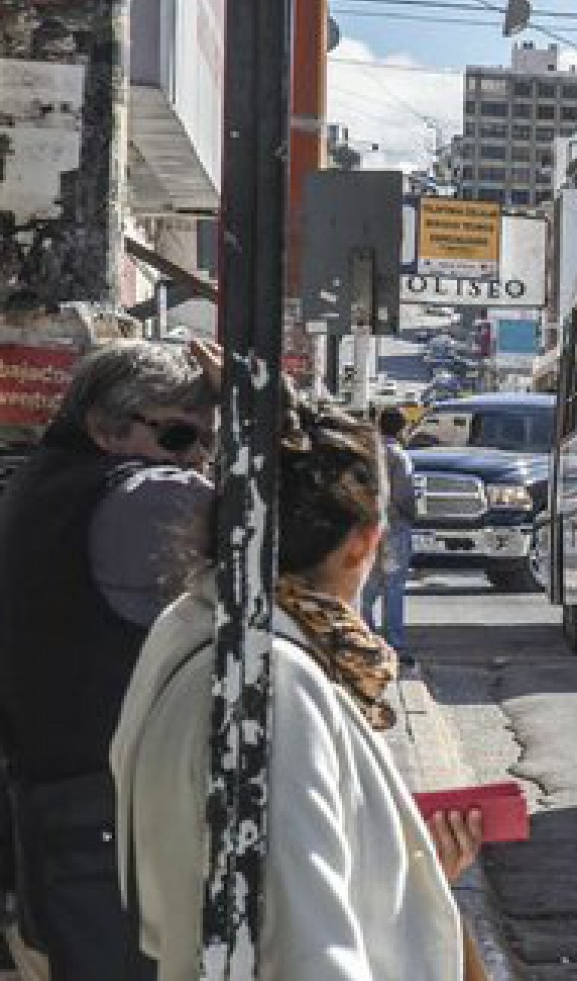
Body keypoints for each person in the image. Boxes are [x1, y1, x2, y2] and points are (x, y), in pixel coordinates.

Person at [110, 400, 485, 980]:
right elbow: (310, 945)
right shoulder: (277, 684)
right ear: (363, 544)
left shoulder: (191, 624)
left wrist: (404, 866)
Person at [0, 339, 220, 979]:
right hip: (108, 822)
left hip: (65, 810)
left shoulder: (44, 484)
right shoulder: (141, 499)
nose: (199, 462)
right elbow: (320, 519)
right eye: (181, 438)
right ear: (105, 426)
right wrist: (280, 412)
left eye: (209, 444)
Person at [362, 407, 417, 658]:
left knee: (370, 583)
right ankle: (394, 641)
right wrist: (412, 515)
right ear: (402, 429)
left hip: (368, 524)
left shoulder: (368, 453)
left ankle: (365, 633)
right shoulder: (399, 456)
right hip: (394, 525)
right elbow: (405, 494)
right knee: (393, 585)